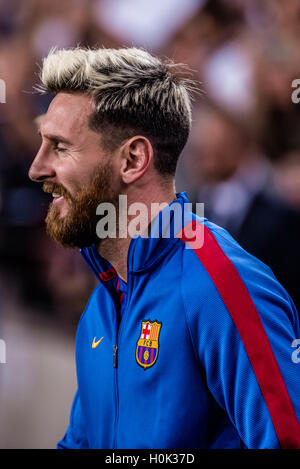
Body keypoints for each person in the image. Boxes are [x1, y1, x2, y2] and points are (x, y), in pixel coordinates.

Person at [28, 47, 300, 449]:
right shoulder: (104, 302)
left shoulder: (218, 282)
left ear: (133, 159)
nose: (37, 168)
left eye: (61, 147)